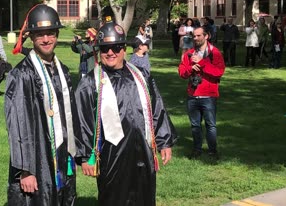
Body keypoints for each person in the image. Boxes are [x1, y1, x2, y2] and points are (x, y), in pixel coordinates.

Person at [75, 21, 177, 206]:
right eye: (105, 48)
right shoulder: (90, 83)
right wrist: (84, 157)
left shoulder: (141, 76)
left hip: (143, 152)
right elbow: (81, 120)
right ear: (99, 50)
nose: (110, 52)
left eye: (116, 47)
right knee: (115, 198)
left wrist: (164, 140)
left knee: (144, 196)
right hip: (112, 155)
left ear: (123, 48)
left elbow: (157, 107)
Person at [4, 4, 81, 205]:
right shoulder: (22, 74)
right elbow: (17, 125)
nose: (46, 39)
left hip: (62, 156)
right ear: (31, 36)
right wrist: (25, 169)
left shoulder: (62, 70)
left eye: (50, 33)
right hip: (36, 160)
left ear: (56, 34)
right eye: (40, 34)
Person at [178, 26, 225, 159]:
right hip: (193, 95)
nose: (196, 38)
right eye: (194, 36)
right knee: (195, 125)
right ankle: (197, 149)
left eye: (199, 36)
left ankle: (212, 151)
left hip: (209, 96)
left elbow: (219, 72)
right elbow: (182, 72)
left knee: (211, 125)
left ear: (206, 36)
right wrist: (190, 68)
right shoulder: (189, 53)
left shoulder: (214, 53)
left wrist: (202, 63)